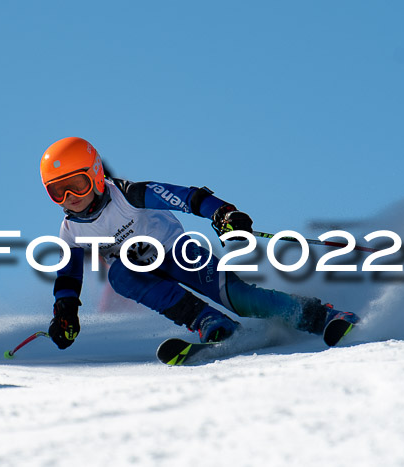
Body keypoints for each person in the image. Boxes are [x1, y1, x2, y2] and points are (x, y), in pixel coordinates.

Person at [39, 136, 359, 350]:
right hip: (141, 272)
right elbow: (68, 276)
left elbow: (187, 198)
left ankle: (325, 316)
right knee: (120, 275)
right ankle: (211, 324)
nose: (70, 199)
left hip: (179, 254)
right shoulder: (70, 231)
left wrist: (222, 214)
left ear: (95, 174)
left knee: (242, 299)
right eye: (58, 192)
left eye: (76, 186)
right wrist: (65, 311)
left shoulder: (128, 194)